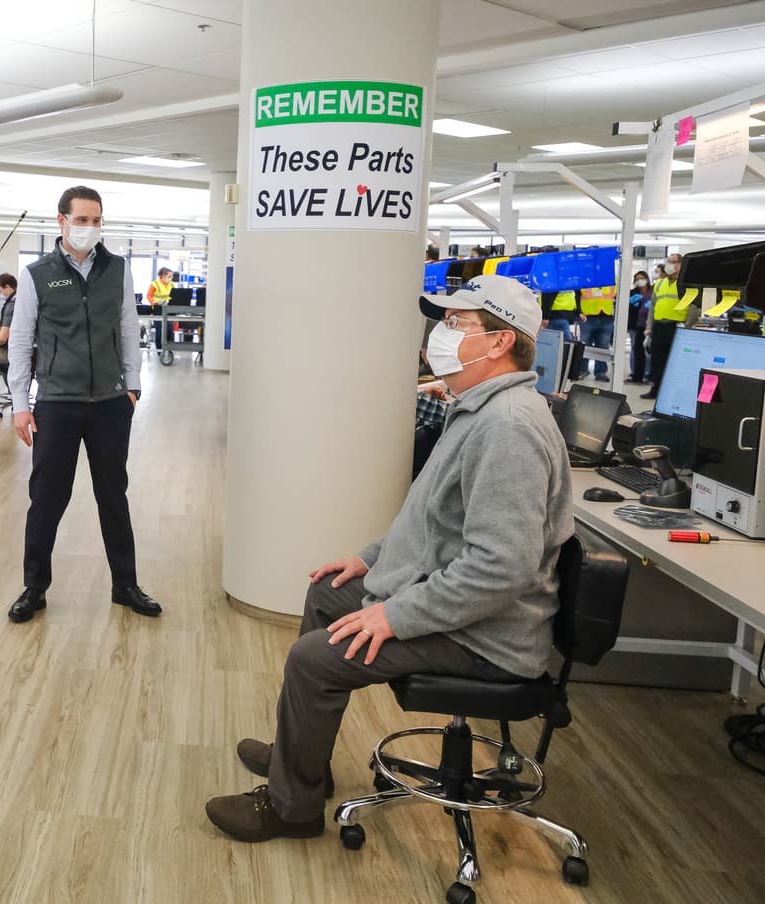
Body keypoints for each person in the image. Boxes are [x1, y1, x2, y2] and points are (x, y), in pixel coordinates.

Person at [205, 274, 573, 842]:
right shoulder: (477, 409)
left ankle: (290, 809)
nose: (442, 334)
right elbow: (432, 522)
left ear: (501, 342)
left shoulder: (508, 428)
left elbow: (500, 567)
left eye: (458, 323)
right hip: (468, 608)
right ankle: (301, 763)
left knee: (313, 659)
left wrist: (394, 615)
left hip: (489, 638)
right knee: (328, 593)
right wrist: (372, 558)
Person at [5, 185, 160, 623]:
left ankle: (125, 585)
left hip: (111, 403)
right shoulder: (37, 274)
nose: (90, 227)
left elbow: (129, 328)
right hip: (57, 403)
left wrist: (133, 388)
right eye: (82, 219)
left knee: (114, 495)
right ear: (62, 221)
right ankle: (34, 587)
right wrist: (21, 402)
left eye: (96, 220)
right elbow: (20, 340)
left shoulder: (117, 269)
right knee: (47, 499)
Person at [641, 252, 699, 401]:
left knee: (674, 361)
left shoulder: (687, 284)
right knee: (657, 360)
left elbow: (694, 307)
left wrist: (687, 326)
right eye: (669, 261)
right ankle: (656, 389)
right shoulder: (660, 283)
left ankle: (672, 391)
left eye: (674, 262)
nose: (670, 265)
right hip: (659, 326)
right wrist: (649, 326)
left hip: (677, 327)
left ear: (681, 265)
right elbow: (652, 306)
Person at [578, 284, 616, 382]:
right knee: (584, 344)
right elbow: (577, 295)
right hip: (587, 316)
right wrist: (578, 312)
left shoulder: (613, 277)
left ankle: (601, 372)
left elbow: (617, 295)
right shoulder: (586, 275)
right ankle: (582, 369)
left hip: (606, 316)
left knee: (603, 345)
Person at [625, 270, 653, 384]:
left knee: (648, 351)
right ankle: (636, 373)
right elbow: (627, 308)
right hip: (635, 325)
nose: (639, 281)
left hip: (648, 325)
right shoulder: (632, 293)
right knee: (636, 350)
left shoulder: (652, 292)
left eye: (641, 278)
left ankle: (648, 374)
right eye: (637, 279)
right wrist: (632, 304)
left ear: (647, 279)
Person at [146, 267, 174, 350]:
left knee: (169, 332)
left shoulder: (172, 284)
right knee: (160, 332)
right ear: (163, 276)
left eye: (171, 277)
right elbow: (149, 295)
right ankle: (160, 351)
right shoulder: (155, 284)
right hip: (158, 311)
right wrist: (154, 303)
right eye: (169, 276)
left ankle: (168, 351)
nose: (171, 278)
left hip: (169, 310)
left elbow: (174, 296)